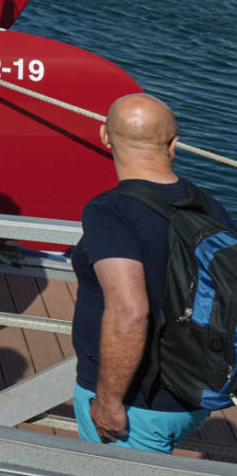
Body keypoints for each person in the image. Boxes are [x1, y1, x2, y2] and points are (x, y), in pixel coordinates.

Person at [71, 94, 233, 453]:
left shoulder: (109, 212)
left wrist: (110, 402)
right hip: (191, 395)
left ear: (104, 136)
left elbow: (129, 313)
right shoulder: (210, 205)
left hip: (136, 405)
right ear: (174, 143)